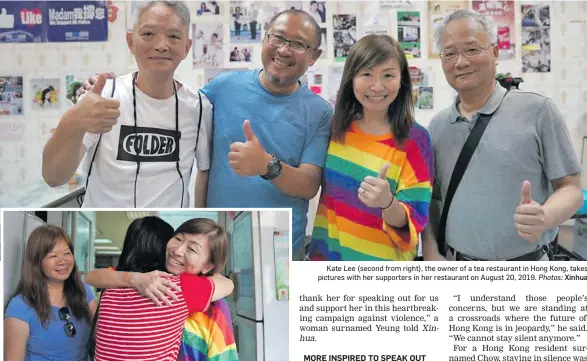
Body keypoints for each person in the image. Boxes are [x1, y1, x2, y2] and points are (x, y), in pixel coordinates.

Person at [80, 9, 332, 259]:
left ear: (314, 56)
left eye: (298, 44)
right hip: (218, 239)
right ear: (264, 39)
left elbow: (309, 185)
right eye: (277, 38)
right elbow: (174, 102)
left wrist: (267, 165)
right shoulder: (223, 88)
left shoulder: (320, 112)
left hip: (282, 244)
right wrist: (110, 87)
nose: (284, 50)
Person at [421, 9, 582, 261]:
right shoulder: (437, 126)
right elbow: (432, 199)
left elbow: (570, 188)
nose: (460, 62)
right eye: (449, 53)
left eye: (472, 49)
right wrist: (430, 251)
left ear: (495, 53)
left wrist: (545, 216)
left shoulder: (538, 111)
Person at [42, 0, 212, 208]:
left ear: (186, 47)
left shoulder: (200, 107)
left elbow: (204, 170)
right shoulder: (103, 96)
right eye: (148, 34)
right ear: (130, 41)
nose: (161, 45)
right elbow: (54, 177)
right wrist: (72, 122)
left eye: (173, 36)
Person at [307, 34, 433, 261]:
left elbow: (413, 220)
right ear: (351, 79)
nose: (377, 86)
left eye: (388, 75)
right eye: (366, 74)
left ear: (402, 80)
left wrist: (387, 202)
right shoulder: (335, 129)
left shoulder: (415, 139)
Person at [85, 218, 239, 361]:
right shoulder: (180, 287)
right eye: (177, 239)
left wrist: (131, 278)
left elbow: (90, 276)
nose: (178, 251)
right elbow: (229, 284)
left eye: (192, 249)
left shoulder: (112, 284)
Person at [4, 225, 97, 361]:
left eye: (67, 253)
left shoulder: (83, 291)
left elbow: (102, 334)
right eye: (53, 256)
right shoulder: (20, 306)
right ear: (37, 262)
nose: (62, 261)